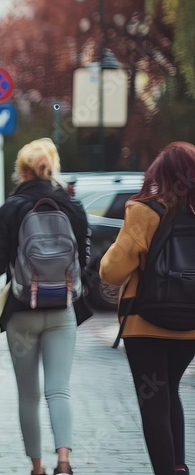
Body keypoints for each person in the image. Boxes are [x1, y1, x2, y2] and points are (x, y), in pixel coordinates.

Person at [0, 138, 91, 475]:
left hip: (21, 313)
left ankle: (38, 468)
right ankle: (64, 461)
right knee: (59, 389)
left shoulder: (11, 208)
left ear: (22, 170)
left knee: (28, 395)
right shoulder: (72, 207)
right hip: (62, 310)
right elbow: (84, 260)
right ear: (52, 167)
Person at [100, 142, 195, 475]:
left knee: (153, 401)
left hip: (146, 324)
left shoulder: (145, 211)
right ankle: (180, 467)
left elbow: (112, 272)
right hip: (190, 328)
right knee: (170, 392)